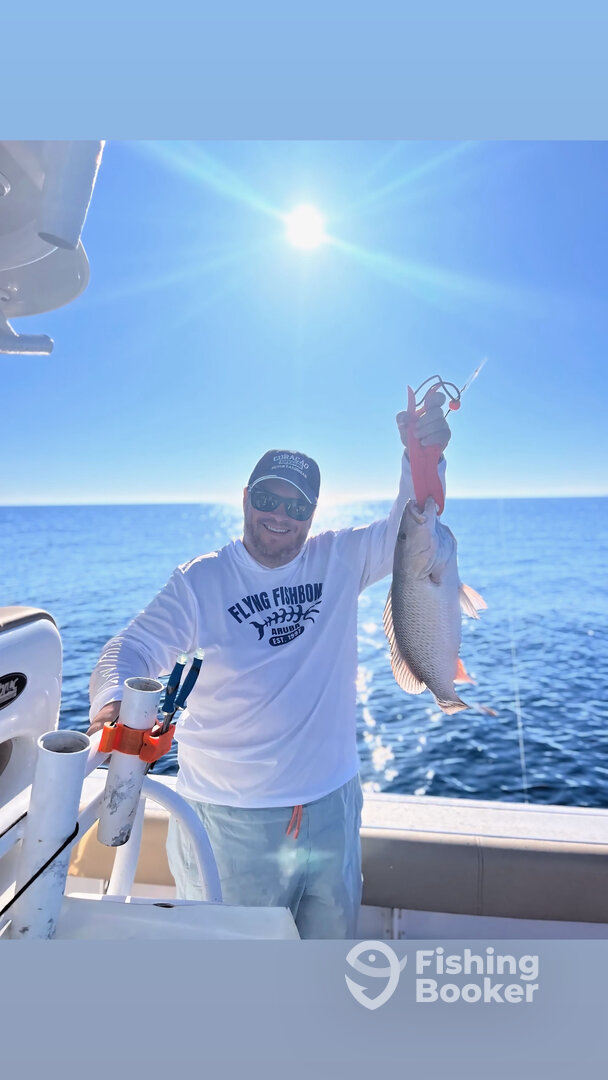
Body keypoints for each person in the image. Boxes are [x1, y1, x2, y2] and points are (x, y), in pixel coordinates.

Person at [88, 393, 451, 938]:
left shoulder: (341, 558)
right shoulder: (200, 581)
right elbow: (132, 647)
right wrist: (115, 704)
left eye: (298, 506)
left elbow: (414, 519)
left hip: (333, 808)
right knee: (238, 987)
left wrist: (423, 454)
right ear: (245, 498)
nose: (281, 516)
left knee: (328, 966)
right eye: (268, 499)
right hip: (231, 824)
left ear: (313, 513)